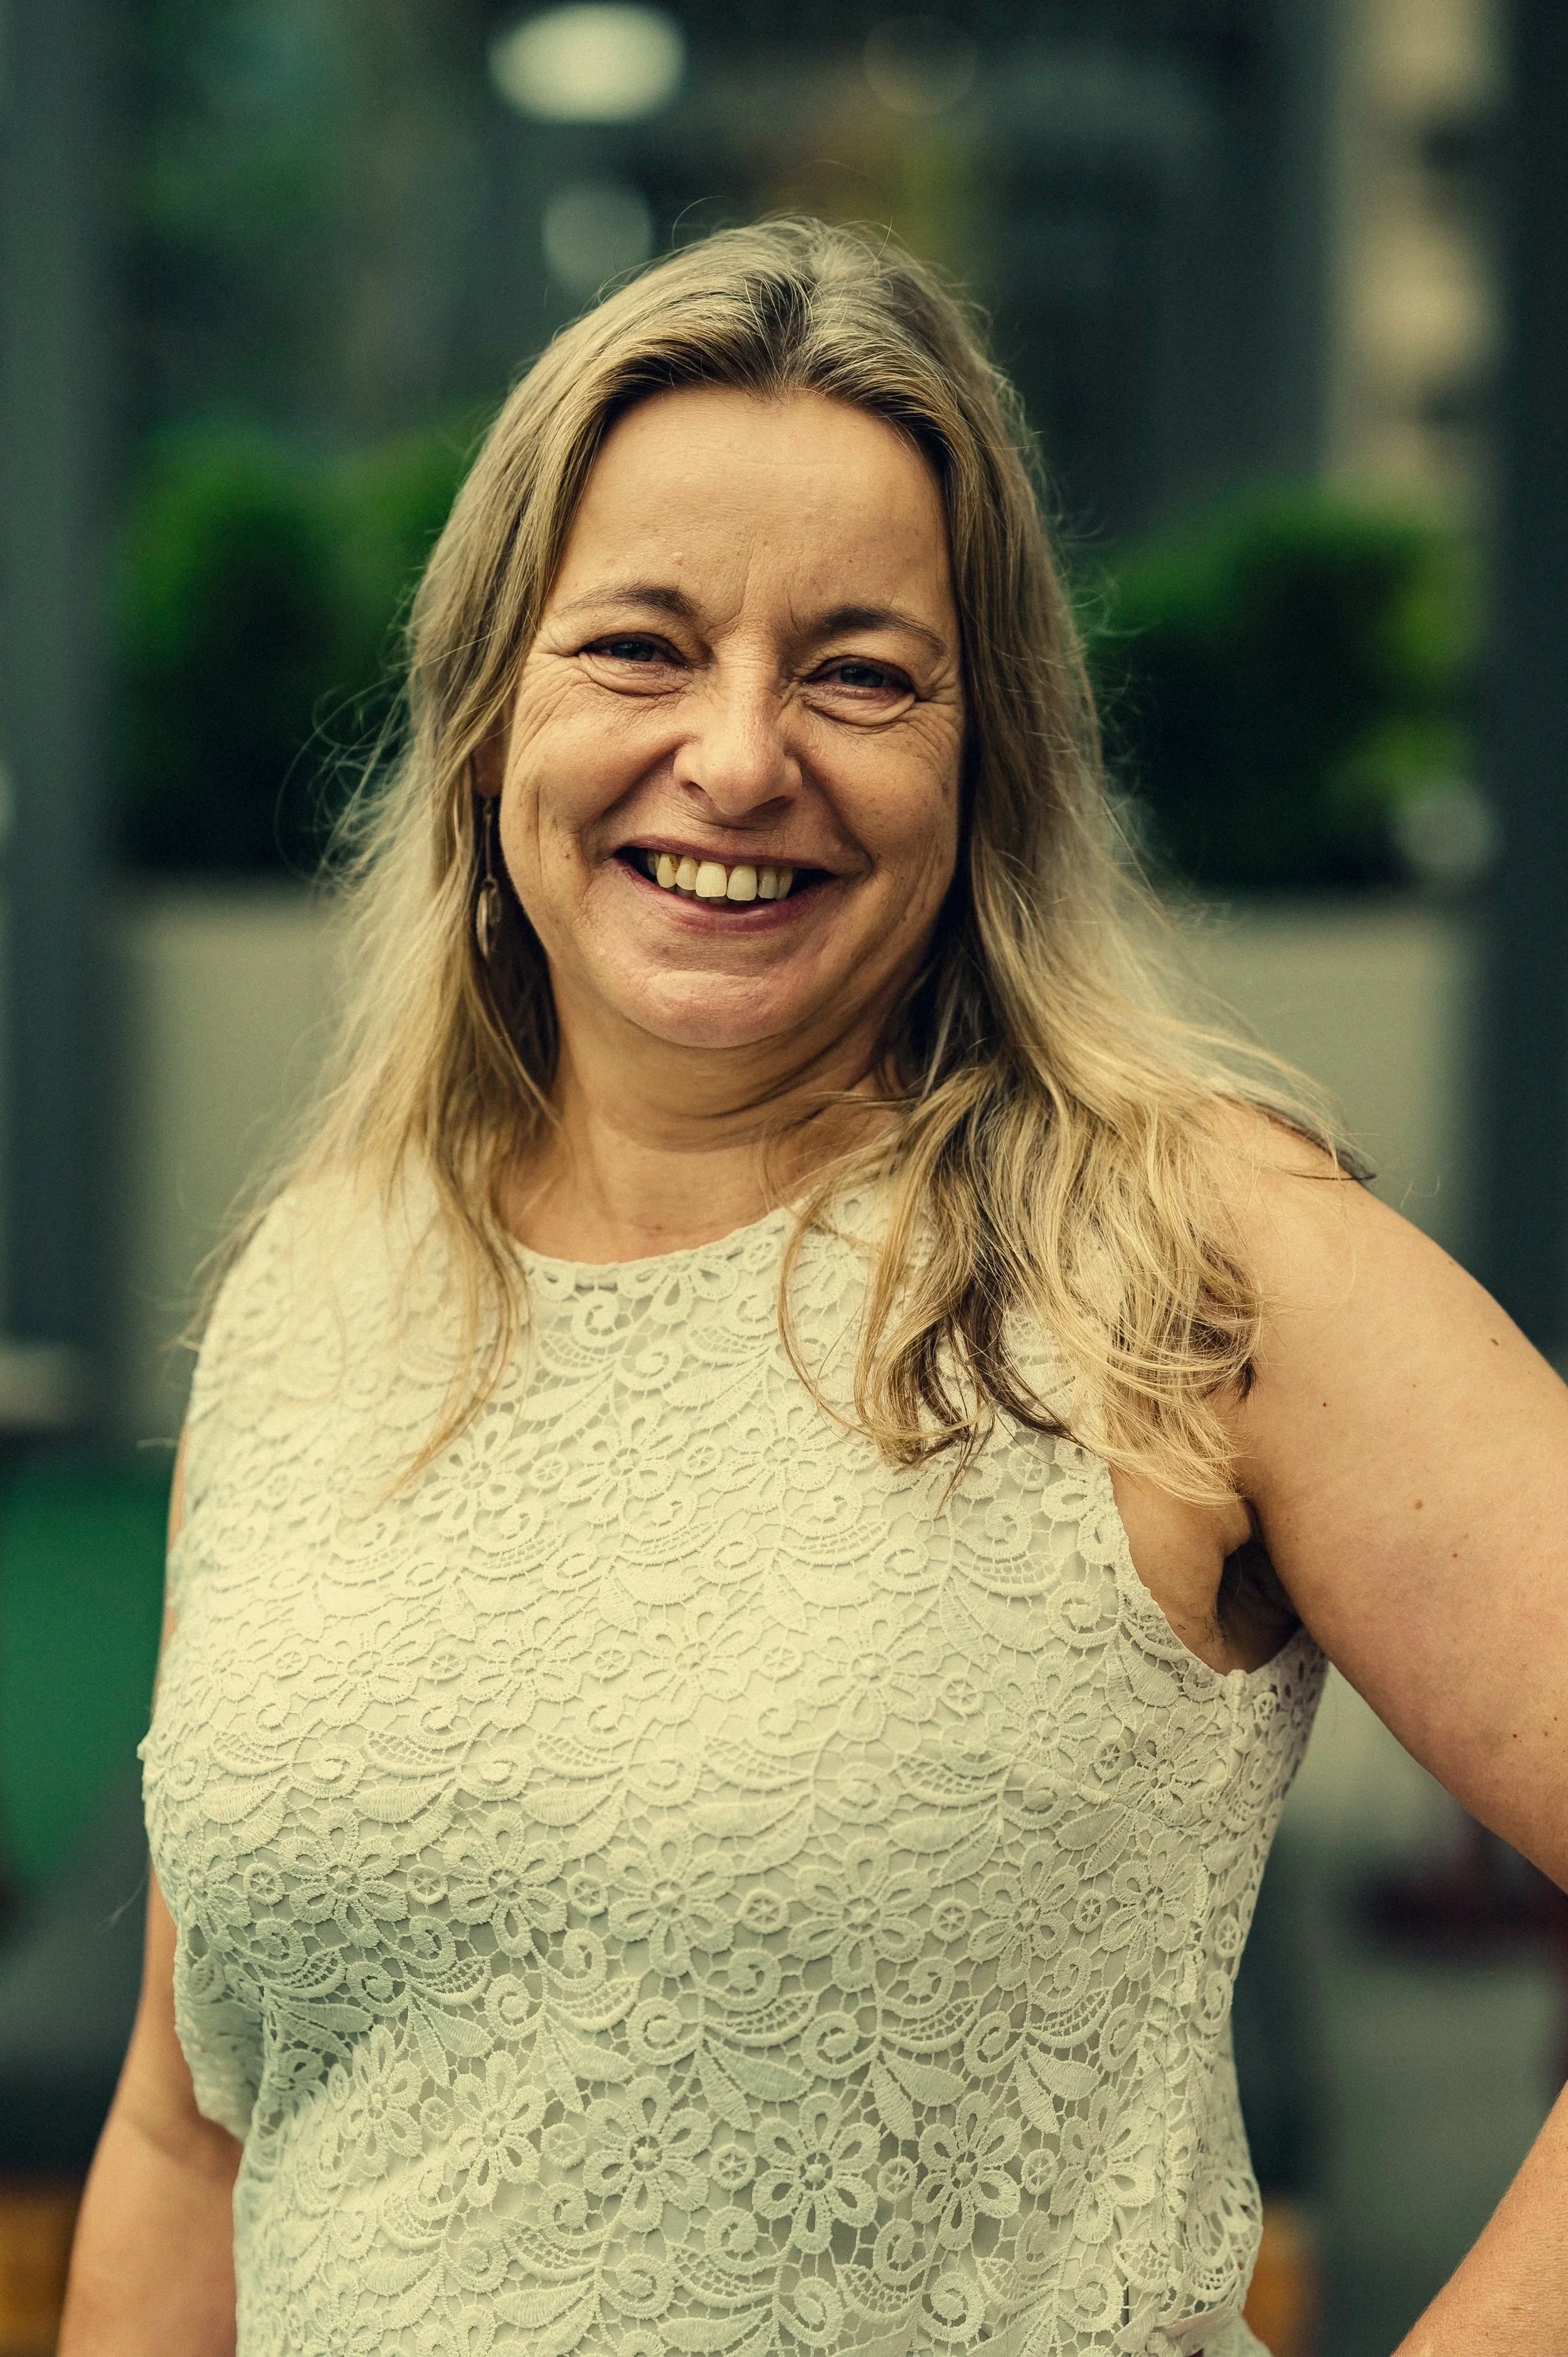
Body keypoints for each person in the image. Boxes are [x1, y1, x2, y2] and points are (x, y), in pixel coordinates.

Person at [60, 220, 1568, 2357]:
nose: (740, 756)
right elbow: (193, 2130)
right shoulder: (327, 1285)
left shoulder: (1187, 1253)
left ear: (986, 756)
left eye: (858, 670)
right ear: (493, 717)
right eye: (640, 648)